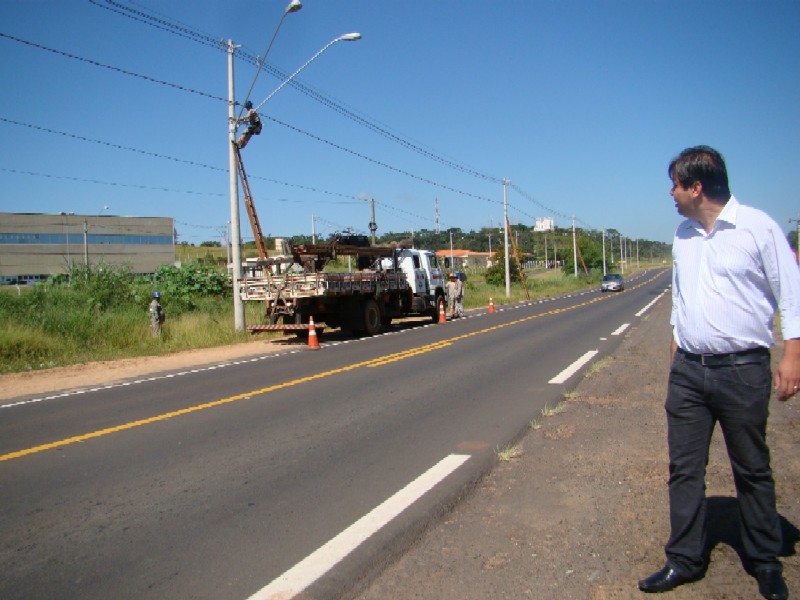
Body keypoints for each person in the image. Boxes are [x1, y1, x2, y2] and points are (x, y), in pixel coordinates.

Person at [638, 146, 800, 600]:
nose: (670, 193)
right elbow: (683, 294)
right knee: (683, 470)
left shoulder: (758, 228)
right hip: (690, 371)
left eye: (675, 184)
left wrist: (792, 356)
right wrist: (676, 340)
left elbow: (792, 294)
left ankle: (765, 560)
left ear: (696, 187)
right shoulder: (683, 234)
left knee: (752, 467)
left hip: (743, 370)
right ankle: (684, 560)